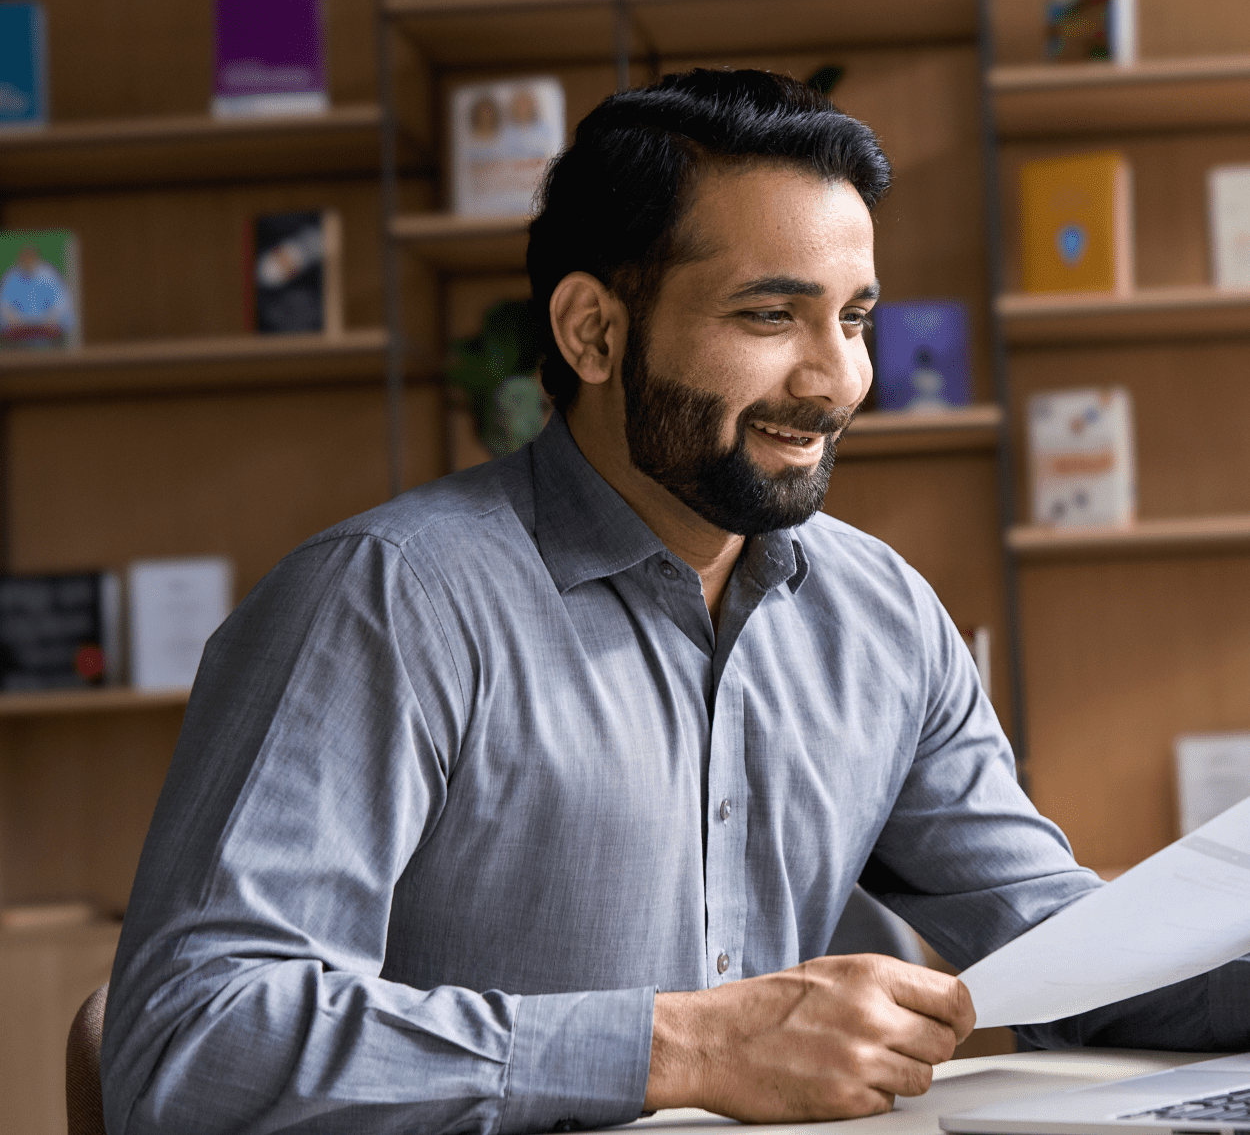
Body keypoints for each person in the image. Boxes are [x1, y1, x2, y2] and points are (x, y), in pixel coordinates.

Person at [101, 69, 1250, 1135]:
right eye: (768, 316)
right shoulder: (384, 602)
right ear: (591, 331)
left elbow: (1064, 953)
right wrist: (680, 1046)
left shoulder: (881, 614)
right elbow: (187, 1041)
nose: (834, 377)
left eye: (852, 317)